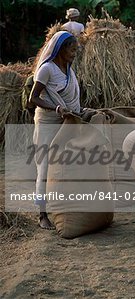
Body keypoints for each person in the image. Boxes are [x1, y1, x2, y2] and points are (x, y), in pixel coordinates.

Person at [29, 31, 81, 229]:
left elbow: (71, 95)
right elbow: (33, 99)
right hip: (48, 122)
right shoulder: (47, 69)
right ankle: (42, 214)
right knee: (45, 166)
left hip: (66, 120)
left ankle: (65, 206)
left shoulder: (68, 68)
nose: (74, 53)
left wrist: (77, 110)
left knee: (68, 162)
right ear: (61, 49)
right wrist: (57, 108)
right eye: (72, 49)